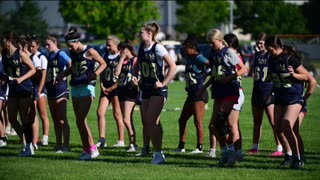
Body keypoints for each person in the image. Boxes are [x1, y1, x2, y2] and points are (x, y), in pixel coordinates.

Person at [265, 35, 315, 169]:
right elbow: (272, 76)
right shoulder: (271, 59)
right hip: (280, 98)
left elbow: (309, 79)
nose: (268, 53)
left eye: (270, 50)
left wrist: (304, 97)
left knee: (287, 126)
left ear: (277, 47)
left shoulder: (290, 59)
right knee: (278, 128)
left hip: (293, 98)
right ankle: (288, 155)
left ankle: (297, 158)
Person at [132, 22, 176, 164]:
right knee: (148, 121)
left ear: (149, 34)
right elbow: (137, 64)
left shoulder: (158, 48)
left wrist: (163, 83)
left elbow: (172, 66)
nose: (139, 34)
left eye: (142, 32)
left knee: (151, 120)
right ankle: (150, 149)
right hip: (145, 89)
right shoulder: (140, 47)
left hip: (158, 90)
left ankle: (158, 154)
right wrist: (135, 76)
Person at [204, 29, 246, 167]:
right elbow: (214, 73)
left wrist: (229, 77)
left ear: (220, 40)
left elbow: (243, 69)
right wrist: (203, 87)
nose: (211, 45)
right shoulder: (213, 53)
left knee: (222, 121)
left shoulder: (228, 52)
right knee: (214, 125)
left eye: (212, 42)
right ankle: (225, 153)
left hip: (230, 90)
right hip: (218, 91)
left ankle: (233, 152)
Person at [62, 27, 106, 160]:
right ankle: (88, 149)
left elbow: (103, 64)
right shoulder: (73, 52)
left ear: (77, 41)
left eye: (71, 46)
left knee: (80, 119)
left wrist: (95, 74)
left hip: (87, 87)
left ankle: (91, 149)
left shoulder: (90, 51)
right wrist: (61, 75)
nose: (70, 49)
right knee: (80, 121)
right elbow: (73, 67)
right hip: (75, 87)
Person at [248, 32, 283, 157]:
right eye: (258, 43)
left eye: (262, 43)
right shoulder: (256, 55)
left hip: (269, 91)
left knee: (273, 122)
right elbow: (251, 71)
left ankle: (279, 148)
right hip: (257, 90)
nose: (259, 45)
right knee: (257, 121)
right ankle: (255, 147)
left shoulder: (271, 56)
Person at [1, 31, 36, 156]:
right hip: (12, 90)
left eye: (3, 40)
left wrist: (21, 79)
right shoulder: (4, 54)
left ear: (9, 41)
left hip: (24, 89)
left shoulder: (20, 54)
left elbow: (33, 69)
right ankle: (27, 141)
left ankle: (29, 146)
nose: (2, 43)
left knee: (25, 119)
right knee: (11, 118)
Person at [173, 36, 209, 154]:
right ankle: (181, 146)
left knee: (197, 121)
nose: (184, 50)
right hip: (191, 94)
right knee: (182, 120)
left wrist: (204, 77)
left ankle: (199, 147)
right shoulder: (190, 58)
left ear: (193, 48)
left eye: (186, 48)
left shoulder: (199, 58)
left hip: (199, 93)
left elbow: (211, 65)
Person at [96, 35, 125, 148]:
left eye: (109, 45)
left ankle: (121, 140)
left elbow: (123, 75)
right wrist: (101, 84)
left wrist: (114, 86)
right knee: (99, 112)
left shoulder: (120, 56)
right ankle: (102, 139)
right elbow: (102, 72)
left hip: (116, 89)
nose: (107, 47)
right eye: (106, 45)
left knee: (117, 114)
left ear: (116, 45)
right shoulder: (105, 55)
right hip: (106, 88)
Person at [45, 35, 71, 153]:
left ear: (55, 43)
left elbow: (70, 64)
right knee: (55, 119)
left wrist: (63, 76)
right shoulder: (49, 55)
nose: (46, 47)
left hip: (61, 89)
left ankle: (66, 145)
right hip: (51, 89)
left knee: (62, 119)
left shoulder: (61, 54)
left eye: (48, 44)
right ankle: (58, 144)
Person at [114, 40, 139, 152]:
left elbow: (139, 74)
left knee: (126, 119)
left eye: (121, 50)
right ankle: (132, 143)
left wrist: (137, 82)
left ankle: (133, 144)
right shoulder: (122, 61)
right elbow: (116, 73)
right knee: (128, 119)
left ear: (127, 50)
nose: (119, 52)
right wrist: (121, 59)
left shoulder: (135, 60)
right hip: (121, 90)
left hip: (130, 91)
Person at [19, 35, 41, 150]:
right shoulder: (20, 57)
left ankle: (34, 141)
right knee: (26, 116)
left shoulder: (34, 57)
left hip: (33, 89)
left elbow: (39, 73)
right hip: (24, 89)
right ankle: (28, 141)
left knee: (32, 116)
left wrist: (37, 90)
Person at [30, 35, 50, 146]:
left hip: (40, 88)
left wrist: (40, 90)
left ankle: (45, 138)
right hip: (32, 88)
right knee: (33, 114)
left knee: (43, 114)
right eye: (30, 46)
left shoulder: (41, 57)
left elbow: (43, 76)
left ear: (38, 46)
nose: (31, 48)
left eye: (33, 46)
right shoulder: (29, 56)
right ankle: (34, 138)